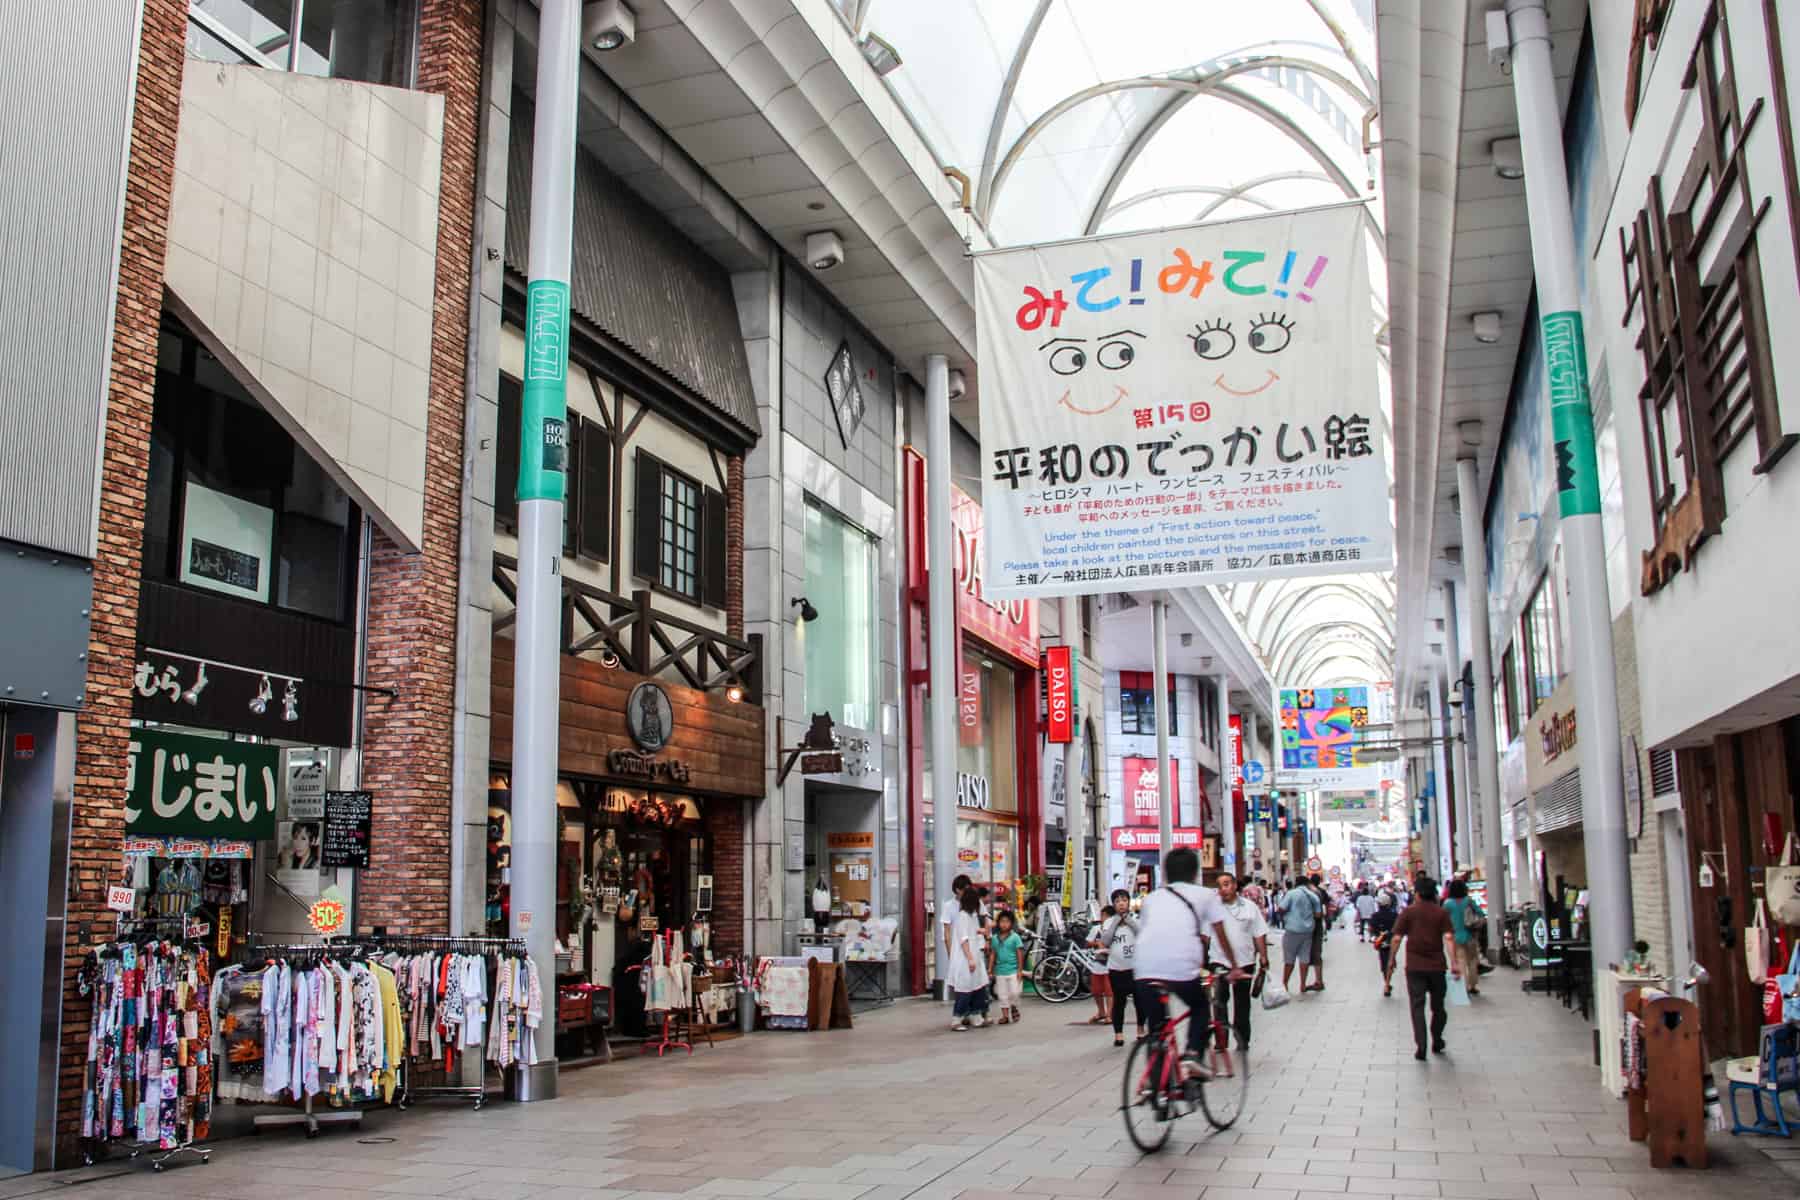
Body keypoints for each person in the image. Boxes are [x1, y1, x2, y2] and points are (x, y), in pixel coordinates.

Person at [1130, 848, 1243, 1076]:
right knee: (1200, 1007)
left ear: (1166, 873)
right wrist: (1235, 967)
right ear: (1195, 872)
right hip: (1180, 966)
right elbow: (1220, 934)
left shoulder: (1151, 898)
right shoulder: (1207, 896)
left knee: (1158, 1027)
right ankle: (1192, 1055)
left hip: (1143, 968)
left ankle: (1156, 1089)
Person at [1390, 876, 1459, 1059]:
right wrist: (1455, 963)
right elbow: (1449, 938)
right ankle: (1437, 1038)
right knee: (1439, 1007)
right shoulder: (1440, 913)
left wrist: (1391, 959)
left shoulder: (1408, 912)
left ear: (1417, 894)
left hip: (1414, 968)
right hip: (1437, 967)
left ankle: (1421, 1045)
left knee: (1417, 1007)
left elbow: (1396, 938)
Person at [1209, 873, 1270, 1051]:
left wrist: (1264, 957)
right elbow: (1205, 935)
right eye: (1220, 886)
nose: (1224, 889)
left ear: (1235, 885)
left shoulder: (1250, 908)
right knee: (1220, 1001)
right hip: (1218, 960)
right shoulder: (1213, 909)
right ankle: (1221, 1041)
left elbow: (1259, 933)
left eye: (1227, 884)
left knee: (1242, 1003)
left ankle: (1242, 1039)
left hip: (1245, 961)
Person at [1092, 889, 1143, 1047]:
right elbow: (1105, 941)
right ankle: (1118, 1034)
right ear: (1113, 904)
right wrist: (1116, 922)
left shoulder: (1137, 919)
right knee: (1119, 1002)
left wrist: (1128, 921)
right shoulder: (1108, 922)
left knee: (1140, 1002)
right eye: (1117, 901)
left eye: (1124, 900)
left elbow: (1142, 934)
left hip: (1136, 968)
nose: (1121, 903)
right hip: (1116, 969)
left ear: (1128, 902)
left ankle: (1141, 1030)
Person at [948, 888, 991, 1030]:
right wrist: (970, 959)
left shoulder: (971, 915)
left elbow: (971, 931)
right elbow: (963, 939)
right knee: (965, 990)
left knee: (977, 988)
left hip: (974, 957)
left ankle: (976, 1017)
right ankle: (957, 1019)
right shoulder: (962, 917)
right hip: (965, 958)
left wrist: (981, 931)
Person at [1277, 875, 1321, 994]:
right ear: (1307, 884)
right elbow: (1318, 915)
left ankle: (1285, 984)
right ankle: (1302, 984)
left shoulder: (1291, 893)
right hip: (1307, 931)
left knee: (1289, 959)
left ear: (1296, 883)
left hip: (1292, 930)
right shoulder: (1313, 896)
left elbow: (1280, 908)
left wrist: (1285, 915)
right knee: (1304, 958)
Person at [1443, 879, 1485, 996]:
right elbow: (1481, 913)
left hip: (1455, 936)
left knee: (1461, 961)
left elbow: (1443, 919)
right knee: (1472, 960)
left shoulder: (1448, 903)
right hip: (1470, 934)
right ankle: (1473, 985)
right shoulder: (1469, 901)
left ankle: (1464, 986)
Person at [989, 909, 1025, 1024]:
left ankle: (1014, 1006)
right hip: (1000, 971)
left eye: (1007, 922)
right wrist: (990, 969)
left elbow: (1019, 954)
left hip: (1013, 970)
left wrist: (1020, 970)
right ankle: (1005, 1016)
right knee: (1002, 994)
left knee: (1015, 992)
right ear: (998, 923)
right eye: (1002, 921)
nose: (1004, 924)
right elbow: (993, 954)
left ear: (1011, 923)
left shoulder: (1015, 937)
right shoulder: (995, 938)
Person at [1368, 890, 1399, 996]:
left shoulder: (1375, 916)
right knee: (1390, 960)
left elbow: (1371, 928)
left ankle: (1386, 983)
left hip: (1380, 941)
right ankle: (1387, 983)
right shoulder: (1394, 915)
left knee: (1384, 962)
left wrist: (1374, 937)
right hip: (1392, 941)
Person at [1305, 873, 1331, 990]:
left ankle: (1303, 983)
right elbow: (1327, 903)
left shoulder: (1306, 892)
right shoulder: (1321, 891)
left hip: (1305, 925)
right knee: (1316, 953)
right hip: (1318, 923)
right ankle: (1319, 980)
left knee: (1304, 954)